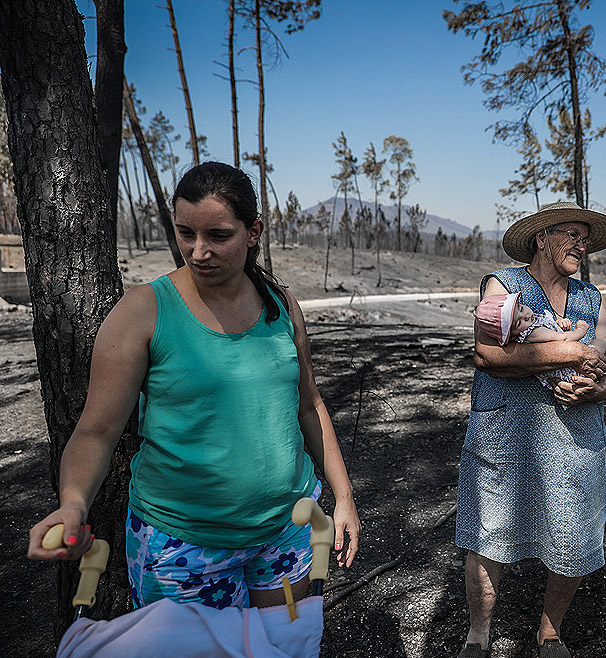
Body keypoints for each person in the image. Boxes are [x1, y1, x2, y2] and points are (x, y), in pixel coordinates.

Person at [27, 161, 360, 610]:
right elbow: (96, 431)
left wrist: (343, 495)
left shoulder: (281, 306)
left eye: (218, 236)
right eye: (186, 233)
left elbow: (309, 404)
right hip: (182, 547)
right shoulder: (144, 311)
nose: (198, 251)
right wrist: (73, 504)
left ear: (254, 231)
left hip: (287, 531)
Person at [452, 201, 606, 658]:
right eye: (571, 234)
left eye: (585, 238)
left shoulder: (590, 299)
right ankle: (477, 635)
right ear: (541, 238)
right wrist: (571, 350)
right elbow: (488, 354)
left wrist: (599, 387)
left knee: (572, 537)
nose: (581, 245)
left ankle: (549, 631)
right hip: (506, 435)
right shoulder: (503, 285)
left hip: (575, 440)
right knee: (489, 534)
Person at [474, 291, 606, 392]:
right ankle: (605, 371)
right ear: (511, 334)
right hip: (571, 374)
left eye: (521, 308)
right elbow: (564, 339)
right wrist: (581, 329)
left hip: (569, 374)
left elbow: (552, 333)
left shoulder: (533, 325)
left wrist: (559, 324)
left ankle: (602, 374)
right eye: (518, 323)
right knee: (600, 344)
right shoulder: (533, 332)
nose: (525, 316)